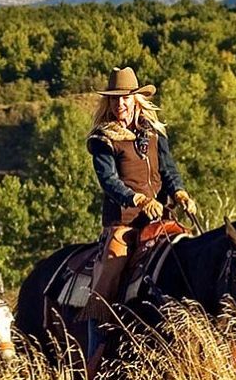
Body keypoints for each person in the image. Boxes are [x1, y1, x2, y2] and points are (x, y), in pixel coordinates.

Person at [84, 66, 198, 315]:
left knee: (194, 255)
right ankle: (96, 331)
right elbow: (108, 181)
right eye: (114, 99)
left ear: (136, 98)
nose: (120, 104)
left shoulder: (154, 132)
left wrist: (180, 193)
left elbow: (167, 170)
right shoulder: (103, 139)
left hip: (160, 218)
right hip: (123, 222)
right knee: (107, 279)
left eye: (125, 97)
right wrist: (138, 199)